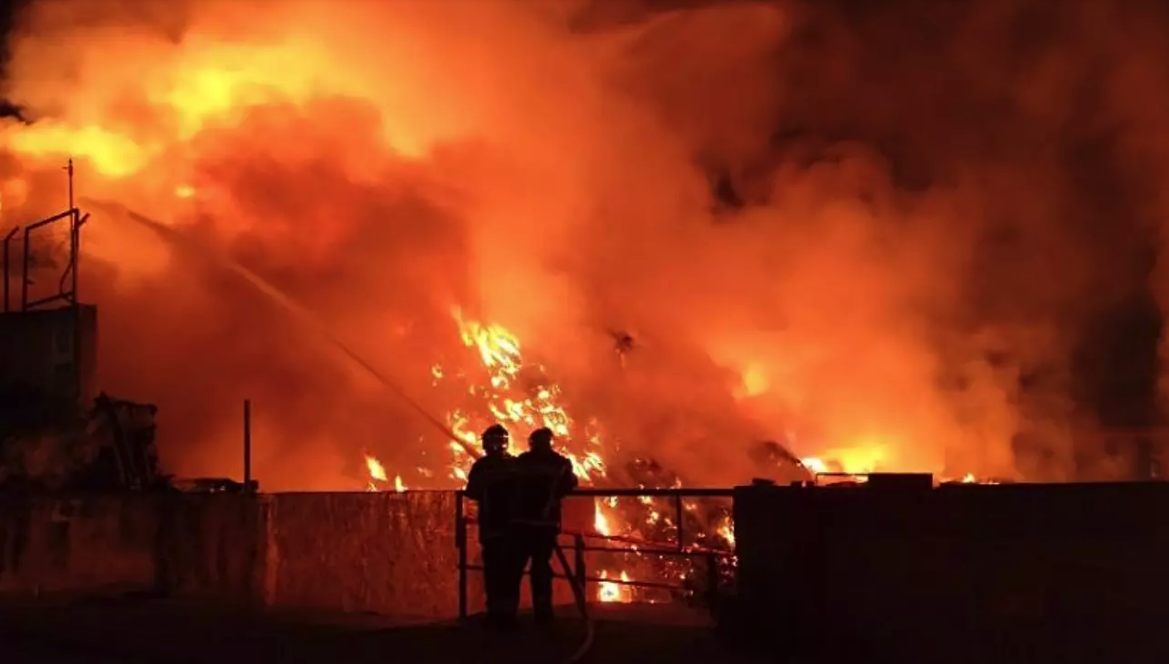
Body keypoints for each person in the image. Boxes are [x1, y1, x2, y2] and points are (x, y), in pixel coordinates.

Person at [510, 427, 579, 625]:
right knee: (540, 567)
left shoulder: (521, 461)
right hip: (545, 524)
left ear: (532, 442)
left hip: (521, 522)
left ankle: (508, 613)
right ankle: (543, 612)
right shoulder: (560, 463)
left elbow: (510, 484)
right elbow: (569, 484)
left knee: (515, 568)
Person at [465, 423, 519, 629]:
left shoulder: (482, 467)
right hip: (512, 526)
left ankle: (496, 611)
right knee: (510, 570)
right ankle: (509, 611)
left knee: (493, 570)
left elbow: (472, 491)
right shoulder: (515, 465)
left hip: (492, 526)